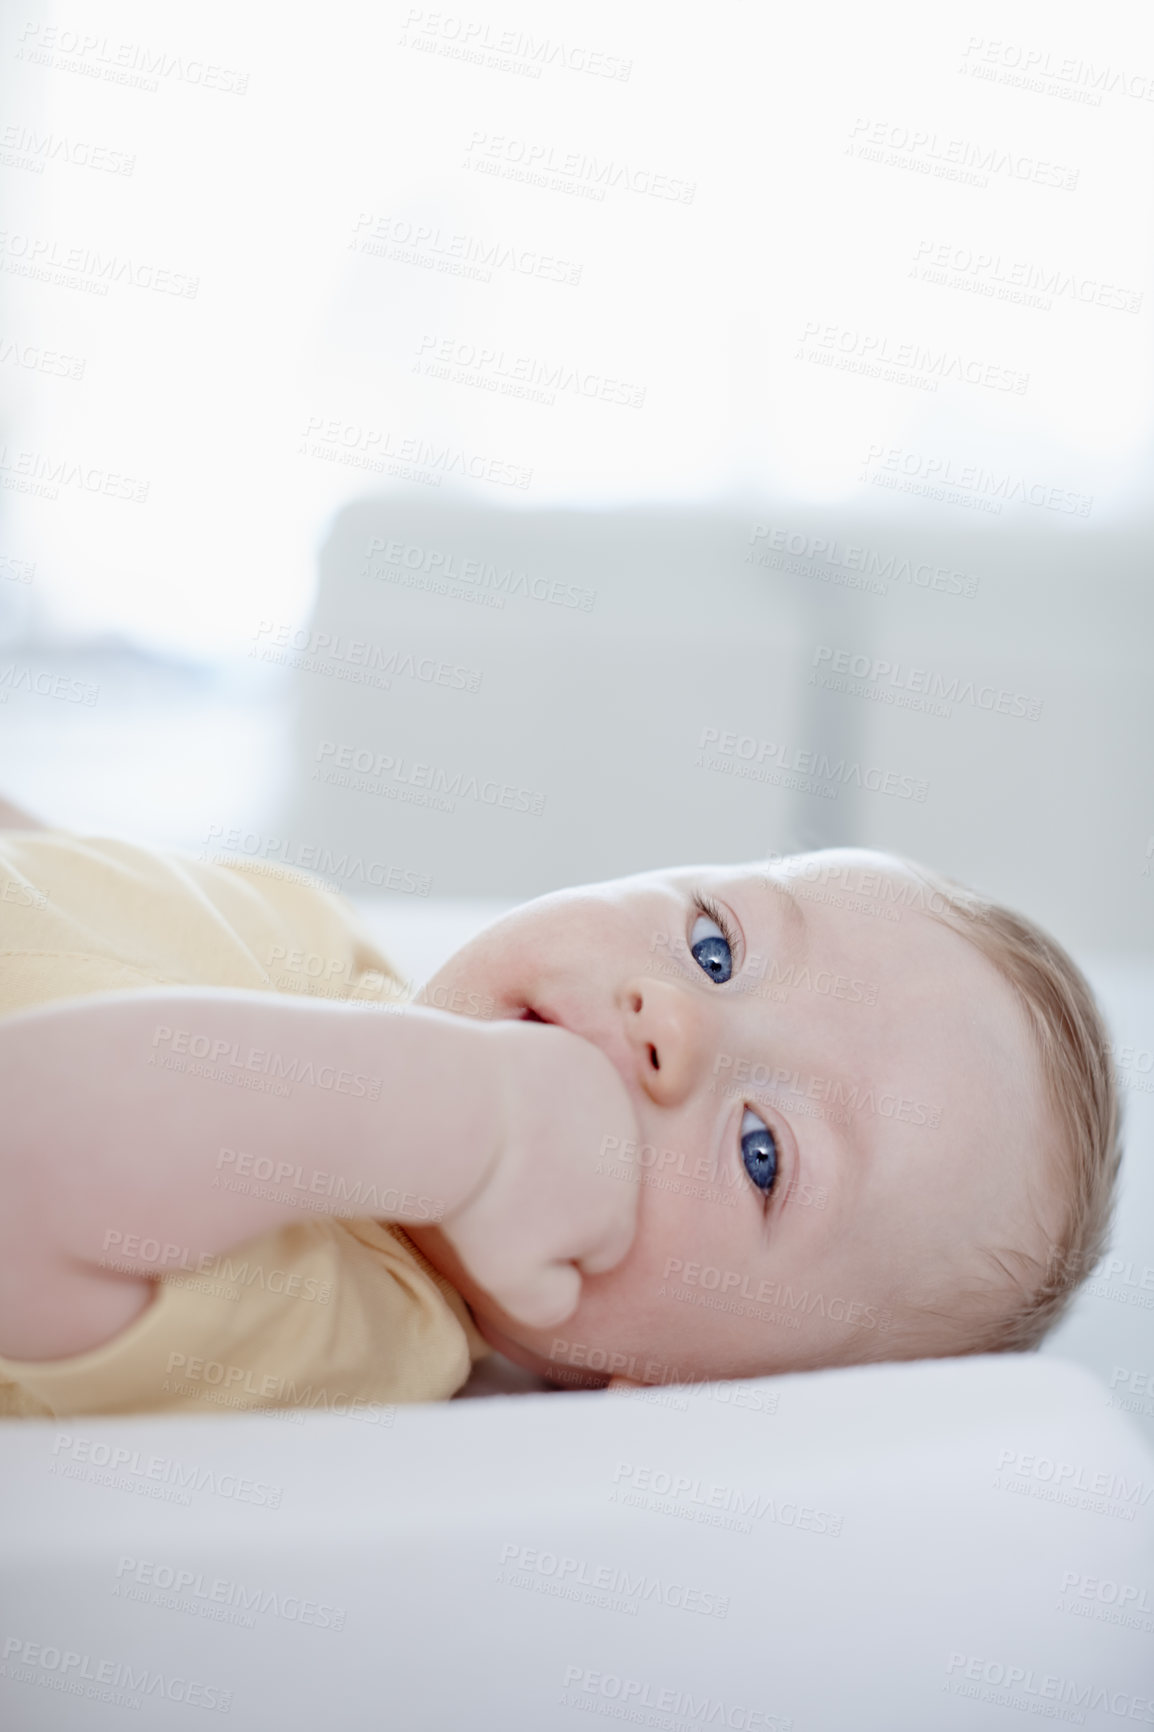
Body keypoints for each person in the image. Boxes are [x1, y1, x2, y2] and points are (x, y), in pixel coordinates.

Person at [0, 799, 1120, 1418]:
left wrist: (463, 1119)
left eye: (761, 1152)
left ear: (661, 1399)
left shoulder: (346, 1329)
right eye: (714, 945)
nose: (673, 1023)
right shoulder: (345, 957)